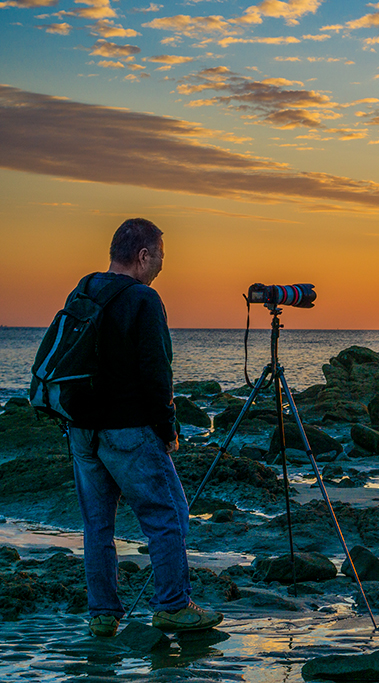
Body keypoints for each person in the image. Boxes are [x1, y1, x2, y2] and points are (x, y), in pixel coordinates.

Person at [67, 218, 223, 637]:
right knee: (167, 515)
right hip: (128, 429)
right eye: (160, 258)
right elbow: (157, 371)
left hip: (81, 429)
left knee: (97, 524)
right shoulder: (143, 299)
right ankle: (173, 605)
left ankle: (102, 614)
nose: (160, 268)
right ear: (143, 255)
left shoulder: (85, 288)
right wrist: (167, 427)